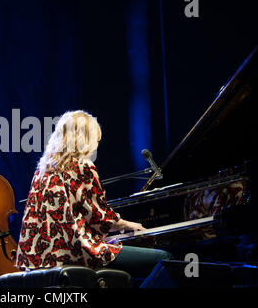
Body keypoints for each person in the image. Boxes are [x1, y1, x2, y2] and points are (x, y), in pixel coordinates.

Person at [15, 110, 172, 283]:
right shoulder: (83, 167)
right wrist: (130, 225)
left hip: (37, 260)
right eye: (95, 141)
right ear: (85, 140)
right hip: (77, 254)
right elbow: (101, 219)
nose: (96, 147)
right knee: (165, 258)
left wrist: (101, 236)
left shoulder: (41, 171)